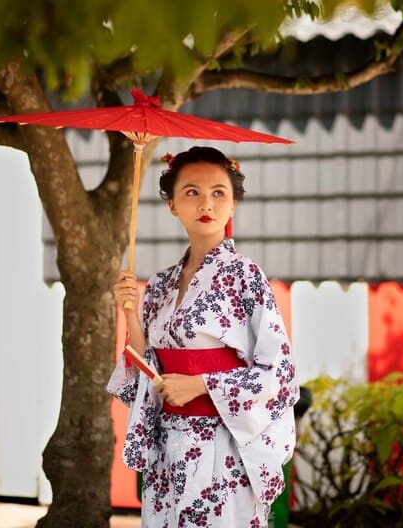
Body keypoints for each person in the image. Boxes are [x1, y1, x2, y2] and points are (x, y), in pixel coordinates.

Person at [108, 146, 299, 528]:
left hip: (222, 446)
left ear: (233, 205)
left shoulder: (245, 276)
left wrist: (200, 385)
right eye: (192, 192)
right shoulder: (160, 282)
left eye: (218, 193)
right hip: (167, 448)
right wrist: (130, 315)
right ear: (173, 205)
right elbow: (149, 372)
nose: (205, 203)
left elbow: (279, 373)